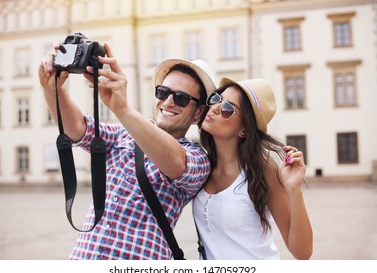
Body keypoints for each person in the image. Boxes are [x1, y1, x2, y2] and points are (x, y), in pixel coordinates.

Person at [38, 42, 216, 259]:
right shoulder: (124, 134)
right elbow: (77, 128)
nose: (168, 102)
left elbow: (176, 163)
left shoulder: (198, 158)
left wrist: (122, 109)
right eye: (163, 92)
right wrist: (52, 88)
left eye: (181, 98)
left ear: (198, 114)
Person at [193, 77, 313, 260]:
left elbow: (302, 252)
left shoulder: (263, 170)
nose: (215, 108)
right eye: (217, 99)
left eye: (228, 109)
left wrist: (294, 190)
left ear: (244, 130)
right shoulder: (201, 165)